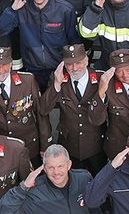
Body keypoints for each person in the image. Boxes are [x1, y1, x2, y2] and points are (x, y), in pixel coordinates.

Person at [0, 0, 81, 89]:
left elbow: (73, 40)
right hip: (32, 70)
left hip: (60, 68)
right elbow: (0, 30)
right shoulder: (21, 9)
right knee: (37, 106)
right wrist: (12, 10)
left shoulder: (64, 9)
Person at [39, 45, 109, 174]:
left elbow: (100, 118)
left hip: (96, 146)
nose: (74, 68)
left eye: (78, 62)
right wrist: (56, 85)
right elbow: (43, 109)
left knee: (99, 181)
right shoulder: (59, 78)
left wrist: (100, 92)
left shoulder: (100, 78)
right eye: (69, 64)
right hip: (69, 145)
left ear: (87, 61)